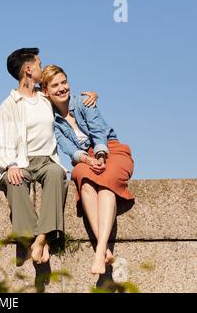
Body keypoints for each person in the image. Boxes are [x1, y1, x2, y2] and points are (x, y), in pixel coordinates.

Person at [0, 48, 98, 264]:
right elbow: (3, 139)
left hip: (46, 160)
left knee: (55, 174)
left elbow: (66, 99)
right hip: (20, 161)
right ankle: (31, 236)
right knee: (15, 181)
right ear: (29, 69)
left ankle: (41, 238)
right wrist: (10, 165)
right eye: (39, 64)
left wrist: (91, 97)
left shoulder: (44, 99)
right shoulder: (9, 105)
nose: (42, 67)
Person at [41, 64, 134, 274]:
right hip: (85, 158)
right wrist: (88, 160)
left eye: (64, 82)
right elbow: (68, 148)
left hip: (111, 149)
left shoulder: (84, 101)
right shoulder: (51, 120)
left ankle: (100, 251)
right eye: (55, 85)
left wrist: (99, 154)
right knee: (81, 177)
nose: (62, 88)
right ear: (46, 91)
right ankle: (104, 251)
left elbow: (98, 131)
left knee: (106, 182)